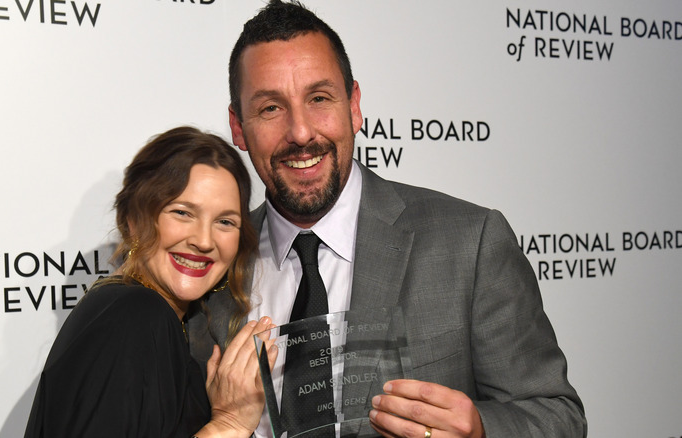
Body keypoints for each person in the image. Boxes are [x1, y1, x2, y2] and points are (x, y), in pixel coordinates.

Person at [188, 1, 587, 437]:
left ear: (354, 105)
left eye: (319, 98)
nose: (300, 133)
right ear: (238, 127)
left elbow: (557, 417)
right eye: (270, 108)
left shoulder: (470, 244)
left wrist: (481, 430)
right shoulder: (210, 270)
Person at [24, 126, 277, 438]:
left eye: (225, 222)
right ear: (134, 219)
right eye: (183, 213)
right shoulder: (136, 314)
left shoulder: (147, 316)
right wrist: (229, 425)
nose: (203, 240)